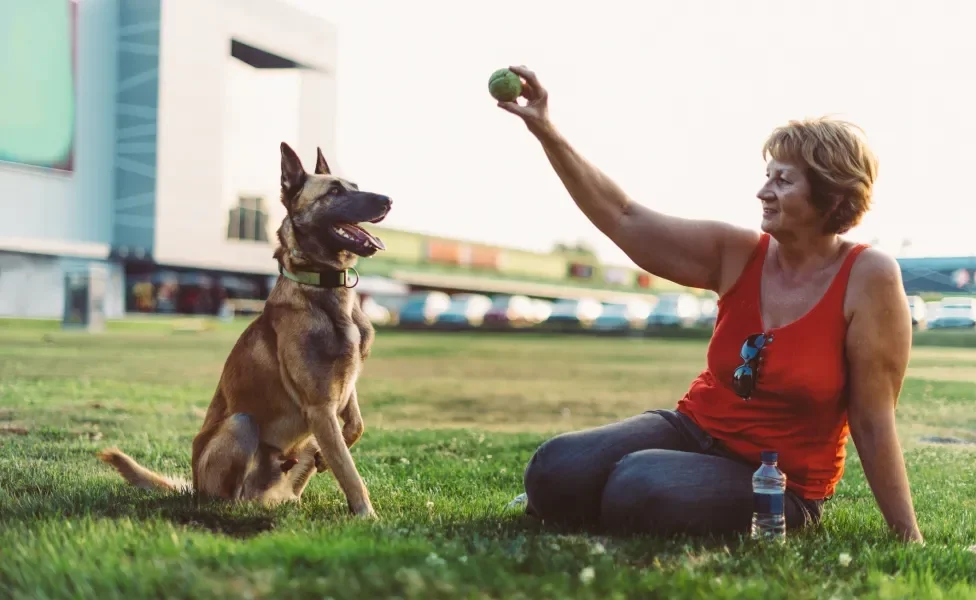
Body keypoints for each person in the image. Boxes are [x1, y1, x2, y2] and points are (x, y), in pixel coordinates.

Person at [496, 65, 923, 543]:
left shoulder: (870, 277)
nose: (763, 192)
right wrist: (546, 129)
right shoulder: (737, 253)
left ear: (830, 195)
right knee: (556, 466)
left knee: (639, 484)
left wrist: (906, 533)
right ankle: (589, 494)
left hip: (779, 480)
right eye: (767, 177)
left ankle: (609, 499)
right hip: (692, 428)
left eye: (782, 181)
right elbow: (623, 217)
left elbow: (872, 416)